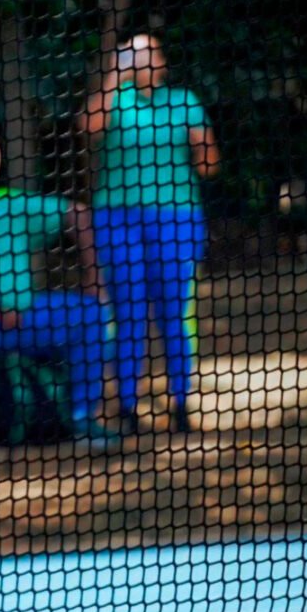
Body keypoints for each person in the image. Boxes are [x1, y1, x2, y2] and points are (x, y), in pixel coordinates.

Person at [80, 33, 219, 434]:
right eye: (132, 53)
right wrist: (114, 76)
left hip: (175, 218)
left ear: (161, 62)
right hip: (117, 219)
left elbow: (210, 164)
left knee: (174, 313)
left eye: (146, 53)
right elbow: (87, 126)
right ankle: (126, 406)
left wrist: (201, 148)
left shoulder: (184, 102)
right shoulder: (115, 100)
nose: (140, 60)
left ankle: (180, 403)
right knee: (128, 313)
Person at [0, 187, 116, 450]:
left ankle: (82, 418)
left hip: (27, 319)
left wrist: (94, 279)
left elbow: (77, 212)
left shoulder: (10, 206)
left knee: (88, 315)